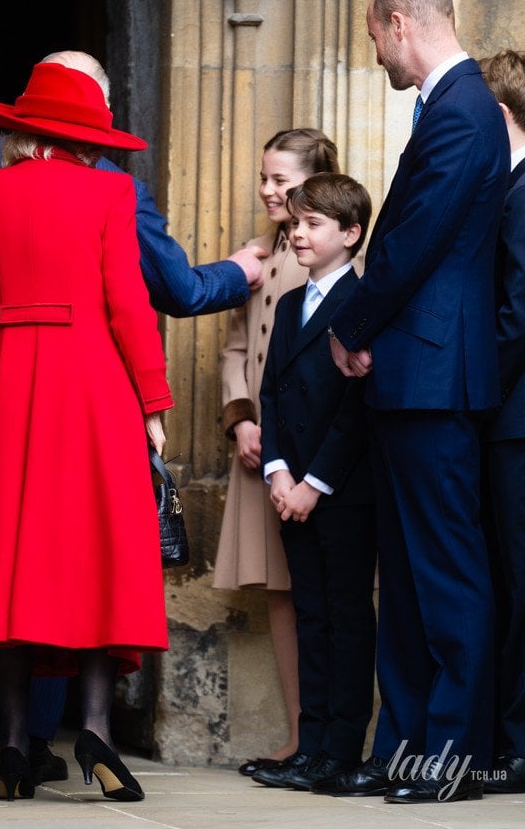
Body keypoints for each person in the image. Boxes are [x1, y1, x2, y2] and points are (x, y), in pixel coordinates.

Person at [0, 51, 266, 782]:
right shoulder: (109, 197)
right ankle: (99, 731)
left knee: (7, 561)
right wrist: (153, 405)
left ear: (24, 129)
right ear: (86, 133)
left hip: (2, 391)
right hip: (94, 389)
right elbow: (130, 309)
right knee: (99, 554)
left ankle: (12, 748)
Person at [314, 0, 510, 804]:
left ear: (399, 25)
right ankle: (404, 748)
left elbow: (414, 241)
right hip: (412, 371)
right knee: (404, 573)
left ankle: (455, 753)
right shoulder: (453, 106)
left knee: (445, 570)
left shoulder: (463, 108)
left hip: (435, 374)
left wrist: (348, 326)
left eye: (373, 39)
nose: (377, 55)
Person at [212, 129, 341, 775]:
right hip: (258, 454)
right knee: (282, 595)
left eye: (281, 181)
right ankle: (299, 735)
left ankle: (315, 736)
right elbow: (236, 349)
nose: (267, 191)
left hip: (304, 457)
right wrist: (240, 422)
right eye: (263, 179)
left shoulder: (327, 259)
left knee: (314, 592)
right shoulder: (256, 254)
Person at [253, 172, 376, 792]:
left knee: (346, 614)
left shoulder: (360, 302)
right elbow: (271, 393)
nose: (297, 233)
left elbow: (355, 410)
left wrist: (314, 482)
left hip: (340, 491)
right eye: (295, 223)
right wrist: (277, 470)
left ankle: (342, 748)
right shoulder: (287, 300)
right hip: (289, 485)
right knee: (310, 615)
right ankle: (312, 740)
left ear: (351, 234)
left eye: (313, 224)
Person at [477, 49, 525, 795]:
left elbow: (516, 315)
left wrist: (472, 390)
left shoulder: (520, 192)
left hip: (513, 417)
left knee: (517, 582)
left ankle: (515, 741)